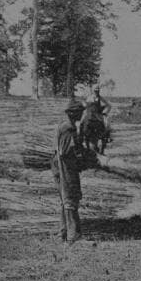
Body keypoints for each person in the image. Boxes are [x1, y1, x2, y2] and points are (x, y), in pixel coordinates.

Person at [53, 100, 96, 244]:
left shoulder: (65, 126)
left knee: (65, 201)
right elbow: (65, 152)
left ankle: (62, 233)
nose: (82, 114)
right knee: (70, 199)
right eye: (80, 112)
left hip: (61, 167)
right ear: (74, 113)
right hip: (66, 168)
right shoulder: (68, 128)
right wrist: (80, 161)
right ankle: (73, 236)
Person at [78, 84, 112, 154]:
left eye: (98, 90)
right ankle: (80, 139)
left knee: (107, 124)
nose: (96, 92)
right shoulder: (88, 97)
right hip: (89, 114)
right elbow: (84, 105)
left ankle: (106, 139)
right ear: (92, 91)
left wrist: (104, 112)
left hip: (97, 115)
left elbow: (109, 106)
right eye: (95, 90)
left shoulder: (101, 98)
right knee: (80, 124)